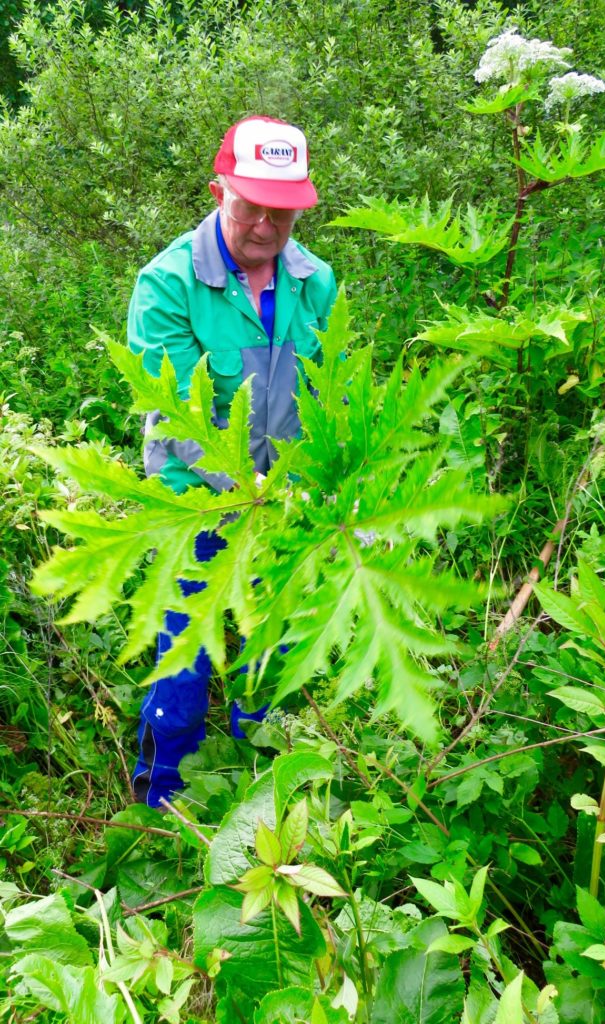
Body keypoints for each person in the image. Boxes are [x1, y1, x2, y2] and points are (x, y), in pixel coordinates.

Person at [127, 116, 337, 807]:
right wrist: (246, 486)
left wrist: (328, 488)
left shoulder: (316, 282)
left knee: (269, 651)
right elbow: (183, 417)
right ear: (219, 188)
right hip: (195, 503)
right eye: (252, 204)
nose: (267, 224)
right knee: (184, 655)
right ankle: (162, 804)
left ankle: (259, 803)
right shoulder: (167, 285)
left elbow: (324, 399)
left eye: (285, 209)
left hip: (281, 506)